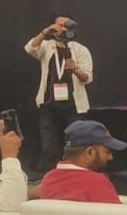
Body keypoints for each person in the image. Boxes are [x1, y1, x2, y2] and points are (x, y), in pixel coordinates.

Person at [25, 13, 94, 173]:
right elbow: (30, 48)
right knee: (49, 146)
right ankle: (49, 177)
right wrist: (45, 31)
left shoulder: (80, 49)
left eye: (66, 25)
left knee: (74, 144)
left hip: (73, 106)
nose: (62, 29)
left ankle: (75, 175)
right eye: (60, 25)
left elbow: (88, 78)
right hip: (49, 104)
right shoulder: (46, 46)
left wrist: (76, 70)